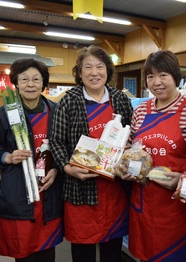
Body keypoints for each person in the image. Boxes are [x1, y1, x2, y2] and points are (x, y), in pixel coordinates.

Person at [50, 45, 133, 262]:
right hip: (81, 189)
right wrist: (68, 168)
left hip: (115, 189)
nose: (94, 72)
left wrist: (129, 145)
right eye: (88, 67)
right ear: (79, 73)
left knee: (112, 251)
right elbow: (57, 141)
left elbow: (133, 134)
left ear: (107, 71)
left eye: (99, 66)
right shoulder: (69, 100)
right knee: (83, 250)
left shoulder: (121, 99)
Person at [0, 58, 63, 261]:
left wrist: (57, 169)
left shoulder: (57, 111)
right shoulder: (2, 115)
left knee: (47, 253)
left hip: (49, 194)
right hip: (18, 194)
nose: (30, 84)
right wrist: (6, 156)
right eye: (24, 79)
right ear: (16, 82)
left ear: (44, 82)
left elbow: (67, 147)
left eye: (36, 79)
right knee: (24, 253)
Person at [122, 50, 186, 261]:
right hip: (143, 202)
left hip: (176, 206)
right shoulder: (140, 111)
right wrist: (126, 168)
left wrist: (183, 180)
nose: (157, 82)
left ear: (175, 76)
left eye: (163, 74)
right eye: (150, 76)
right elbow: (130, 149)